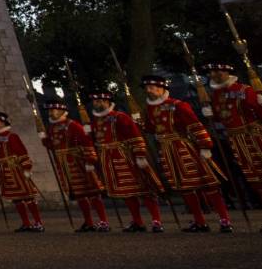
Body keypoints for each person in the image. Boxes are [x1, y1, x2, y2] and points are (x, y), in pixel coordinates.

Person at [141, 75, 232, 232]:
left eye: (152, 87)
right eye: (147, 88)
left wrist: (205, 145)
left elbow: (195, 125)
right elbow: (151, 128)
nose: (149, 91)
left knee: (208, 183)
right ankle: (199, 221)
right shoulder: (149, 108)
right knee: (185, 188)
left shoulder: (178, 105)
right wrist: (141, 123)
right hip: (166, 150)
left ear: (162, 88)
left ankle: (224, 220)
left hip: (183, 147)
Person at [202, 61, 262, 232]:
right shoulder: (214, 96)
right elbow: (222, 118)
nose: (213, 76)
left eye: (217, 72)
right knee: (254, 178)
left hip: (253, 136)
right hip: (235, 139)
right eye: (211, 73)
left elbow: (259, 113)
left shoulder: (243, 90)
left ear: (227, 73)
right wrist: (211, 116)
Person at [90, 91, 163, 233]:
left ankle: (156, 220)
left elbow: (135, 135)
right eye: (95, 102)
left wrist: (140, 154)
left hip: (126, 156)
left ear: (107, 102)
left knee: (144, 188)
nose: (97, 104)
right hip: (109, 159)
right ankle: (137, 221)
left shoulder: (119, 117)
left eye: (100, 101)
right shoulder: (96, 121)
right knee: (126, 192)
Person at [39, 100, 108, 232]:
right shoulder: (52, 128)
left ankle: (103, 221)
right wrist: (44, 139)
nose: (51, 113)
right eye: (50, 111)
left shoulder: (73, 125)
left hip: (79, 162)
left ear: (61, 111)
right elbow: (53, 146)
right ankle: (88, 222)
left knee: (93, 192)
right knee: (79, 194)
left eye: (54, 110)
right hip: (65, 164)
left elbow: (86, 142)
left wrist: (90, 160)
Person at [0, 110, 43, 232]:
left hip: (16, 169)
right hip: (3, 170)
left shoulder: (12, 136)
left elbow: (22, 152)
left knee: (28, 196)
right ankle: (26, 223)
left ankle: (38, 222)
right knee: (16, 198)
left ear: (3, 122)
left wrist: (26, 168)